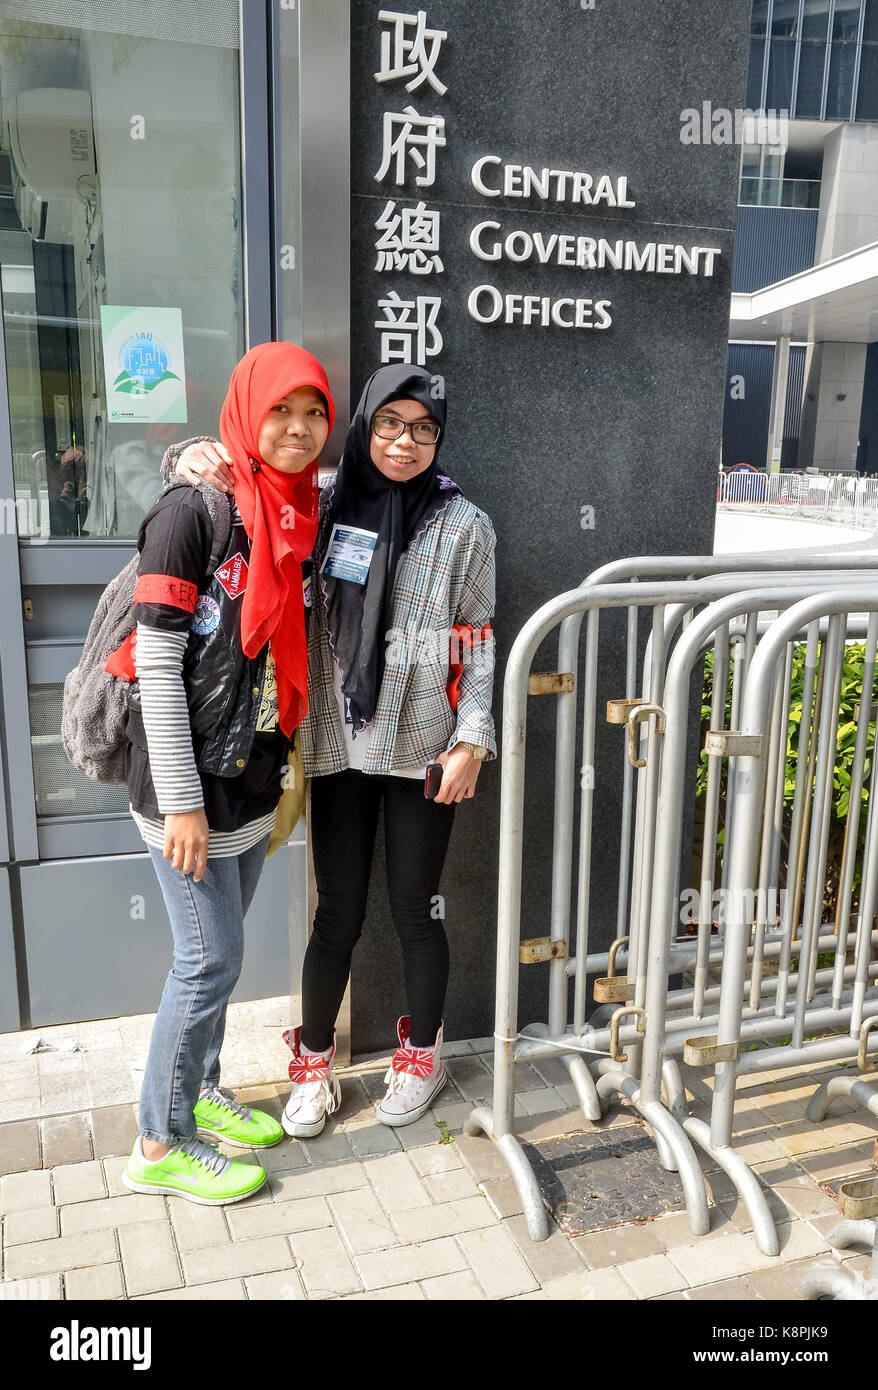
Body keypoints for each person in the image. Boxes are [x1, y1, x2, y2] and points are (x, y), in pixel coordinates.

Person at [171, 364, 496, 1135]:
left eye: (423, 429)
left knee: (416, 909)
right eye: (390, 423)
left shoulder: (463, 524)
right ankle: (313, 1064)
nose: (405, 441)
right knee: (336, 913)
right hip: (332, 743)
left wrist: (473, 739)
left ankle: (423, 1055)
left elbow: (477, 641)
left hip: (421, 743)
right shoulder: (315, 501)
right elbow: (240, 475)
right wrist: (186, 455)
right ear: (365, 427)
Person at [120, 341, 335, 1205]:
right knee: (207, 963)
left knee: (221, 957)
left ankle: (201, 1090)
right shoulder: (191, 512)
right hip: (188, 791)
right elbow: (156, 665)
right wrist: (178, 803)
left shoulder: (299, 510)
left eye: (313, 410)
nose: (297, 427)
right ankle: (157, 1141)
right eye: (279, 410)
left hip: (249, 780)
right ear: (248, 411)